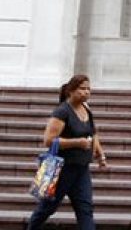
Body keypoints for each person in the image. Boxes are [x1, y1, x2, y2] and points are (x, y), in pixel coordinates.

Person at [26, 74, 107, 230]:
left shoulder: (86, 109)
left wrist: (100, 154)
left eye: (89, 89)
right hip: (62, 170)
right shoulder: (62, 112)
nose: (86, 92)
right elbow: (48, 140)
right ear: (70, 90)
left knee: (85, 209)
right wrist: (77, 142)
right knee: (47, 208)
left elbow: (93, 133)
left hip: (81, 169)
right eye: (82, 89)